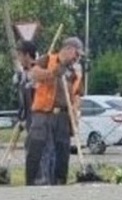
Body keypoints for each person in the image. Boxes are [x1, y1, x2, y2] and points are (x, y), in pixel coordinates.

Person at [25, 37, 84, 186]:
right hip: (43, 113)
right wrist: (53, 73)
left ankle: (59, 183)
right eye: (76, 54)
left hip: (63, 116)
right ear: (68, 49)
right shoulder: (47, 59)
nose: (77, 58)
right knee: (36, 148)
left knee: (62, 152)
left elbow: (77, 94)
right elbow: (34, 74)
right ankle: (32, 181)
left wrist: (75, 114)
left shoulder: (73, 72)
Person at [12, 40, 40, 184]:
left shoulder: (38, 72)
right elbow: (23, 99)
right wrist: (21, 117)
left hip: (40, 119)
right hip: (29, 119)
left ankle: (41, 180)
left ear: (27, 55)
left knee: (38, 151)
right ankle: (32, 180)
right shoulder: (23, 75)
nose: (19, 59)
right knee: (30, 151)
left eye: (20, 55)